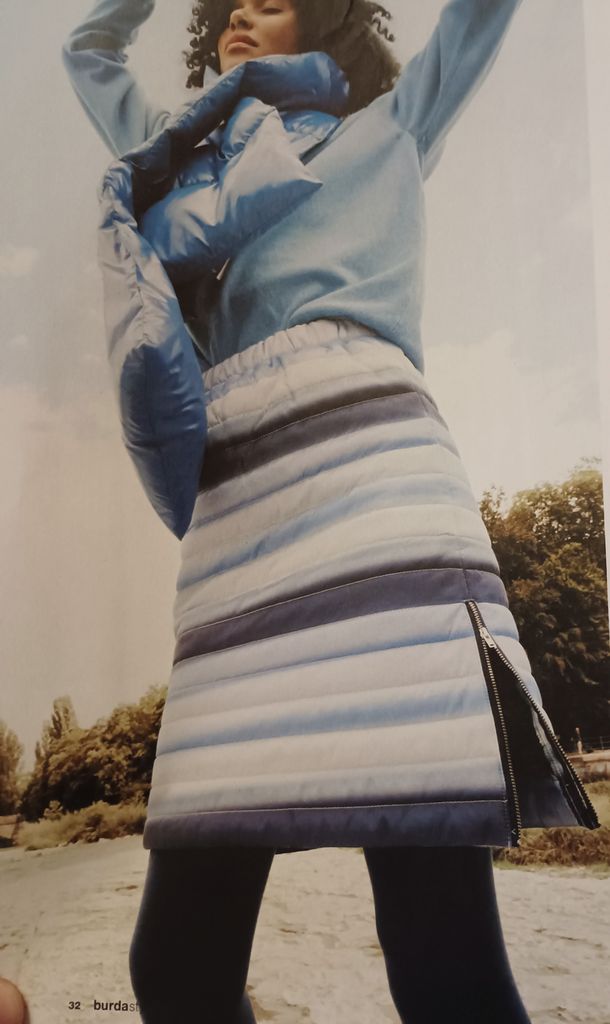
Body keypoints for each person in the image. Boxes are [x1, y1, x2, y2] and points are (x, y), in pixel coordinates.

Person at [63, 1, 598, 1021]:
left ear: (323, 21)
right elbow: (87, 53)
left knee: (441, 961)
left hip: (374, 495)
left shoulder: (390, 126)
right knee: (175, 969)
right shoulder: (183, 166)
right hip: (237, 520)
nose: (238, 11)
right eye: (229, 2)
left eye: (269, 0)